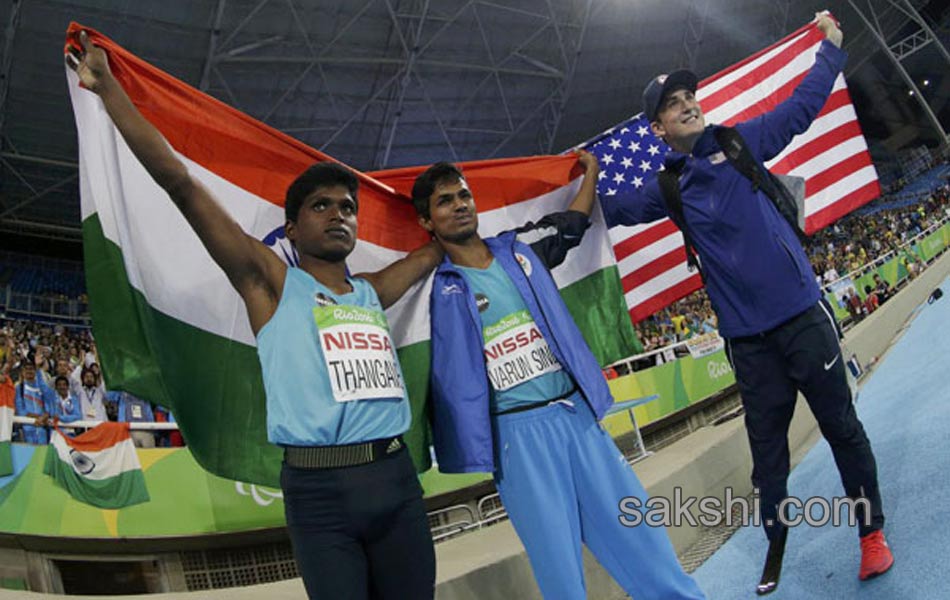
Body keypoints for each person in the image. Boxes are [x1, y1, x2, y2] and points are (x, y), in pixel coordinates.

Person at [67, 30, 438, 600]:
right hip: (319, 494)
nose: (339, 215)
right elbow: (181, 184)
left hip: (396, 478)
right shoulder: (268, 282)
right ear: (291, 229)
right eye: (320, 206)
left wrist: (453, 220)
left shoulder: (369, 292)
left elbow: (432, 252)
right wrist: (109, 88)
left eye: (348, 208)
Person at [602, 14, 892, 594]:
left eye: (689, 96)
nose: (687, 104)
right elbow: (606, 209)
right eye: (672, 103)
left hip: (803, 319)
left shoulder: (739, 143)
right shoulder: (666, 187)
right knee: (768, 463)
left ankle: (870, 535)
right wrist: (569, 183)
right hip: (749, 345)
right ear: (658, 128)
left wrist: (830, 50)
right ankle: (777, 541)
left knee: (843, 429)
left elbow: (799, 110)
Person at [411, 157, 704, 600]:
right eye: (444, 201)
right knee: (560, 572)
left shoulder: (520, 249)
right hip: (516, 437)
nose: (459, 206)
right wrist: (428, 254)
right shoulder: (434, 289)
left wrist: (590, 175)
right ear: (425, 220)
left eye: (463, 195)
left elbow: (573, 223)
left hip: (576, 417)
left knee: (640, 533)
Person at [13, 358, 56, 444]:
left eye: (31, 369)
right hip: (27, 429)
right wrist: (37, 418)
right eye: (27, 369)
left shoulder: (41, 386)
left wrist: (45, 416)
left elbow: (49, 402)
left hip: (43, 429)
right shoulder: (19, 388)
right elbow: (20, 410)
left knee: (43, 455)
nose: (29, 371)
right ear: (22, 372)